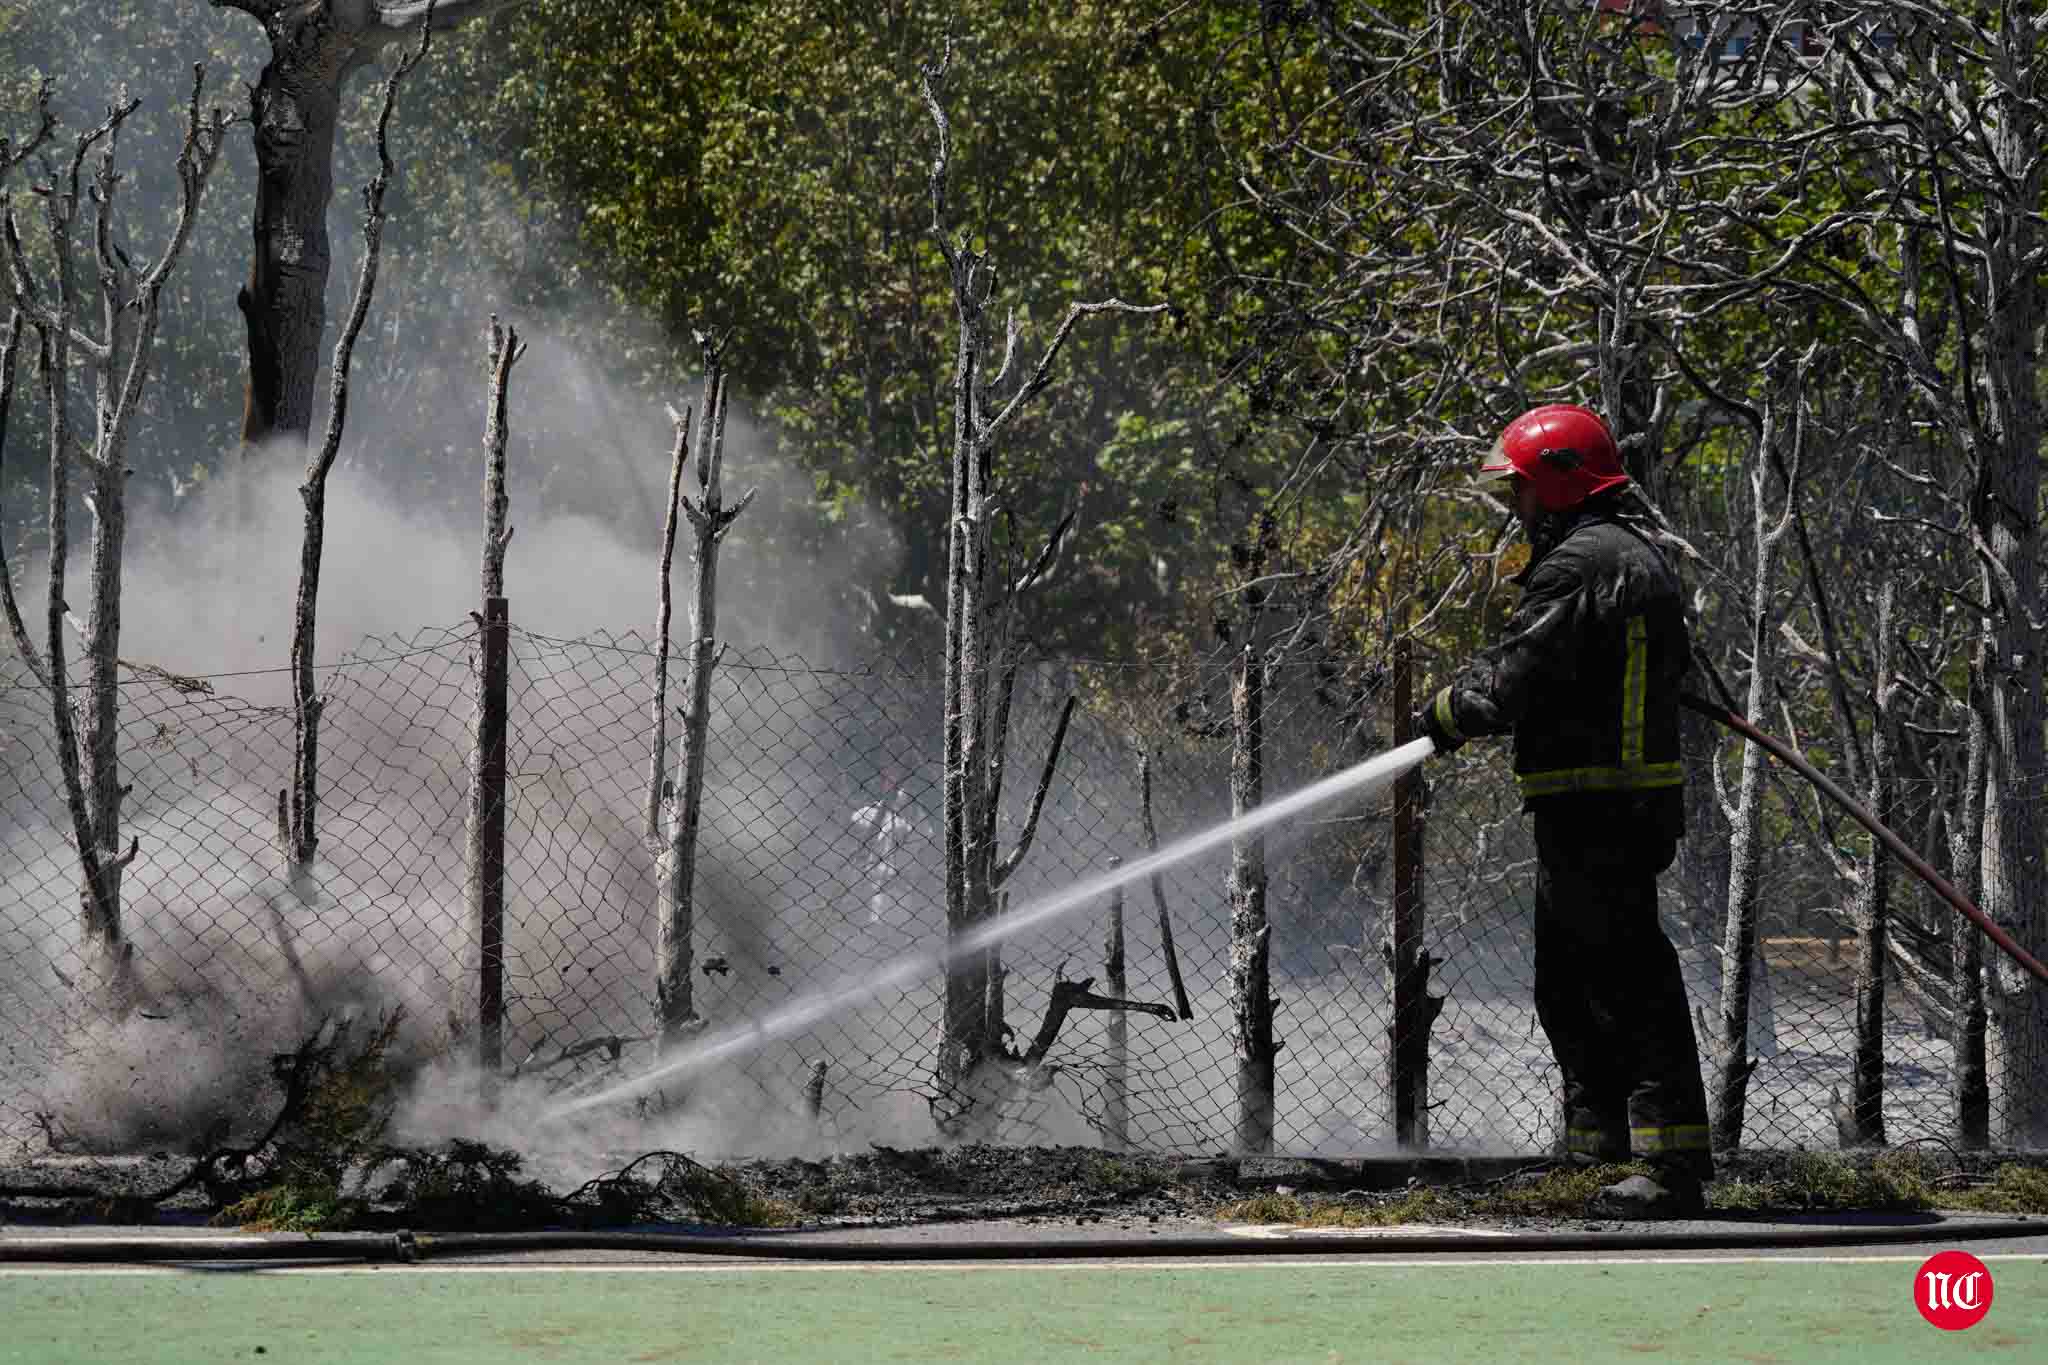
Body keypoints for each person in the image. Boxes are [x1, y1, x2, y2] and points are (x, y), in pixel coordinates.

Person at [1418, 403, 1714, 1217]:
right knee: (1571, 980)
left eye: (1522, 492)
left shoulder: (1580, 565)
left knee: (1625, 979)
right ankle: (1597, 1148)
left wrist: (1446, 710)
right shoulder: (1629, 557)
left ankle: (1670, 1166)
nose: (1516, 509)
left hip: (1601, 805)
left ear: (1557, 484)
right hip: (1607, 802)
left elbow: (1516, 675)